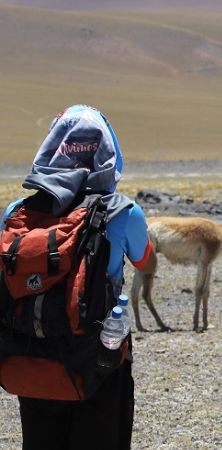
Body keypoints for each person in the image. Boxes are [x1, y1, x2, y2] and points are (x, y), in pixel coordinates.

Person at [1, 104, 155, 449]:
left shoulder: (16, 213)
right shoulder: (123, 211)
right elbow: (145, 261)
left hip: (31, 360)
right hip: (100, 360)